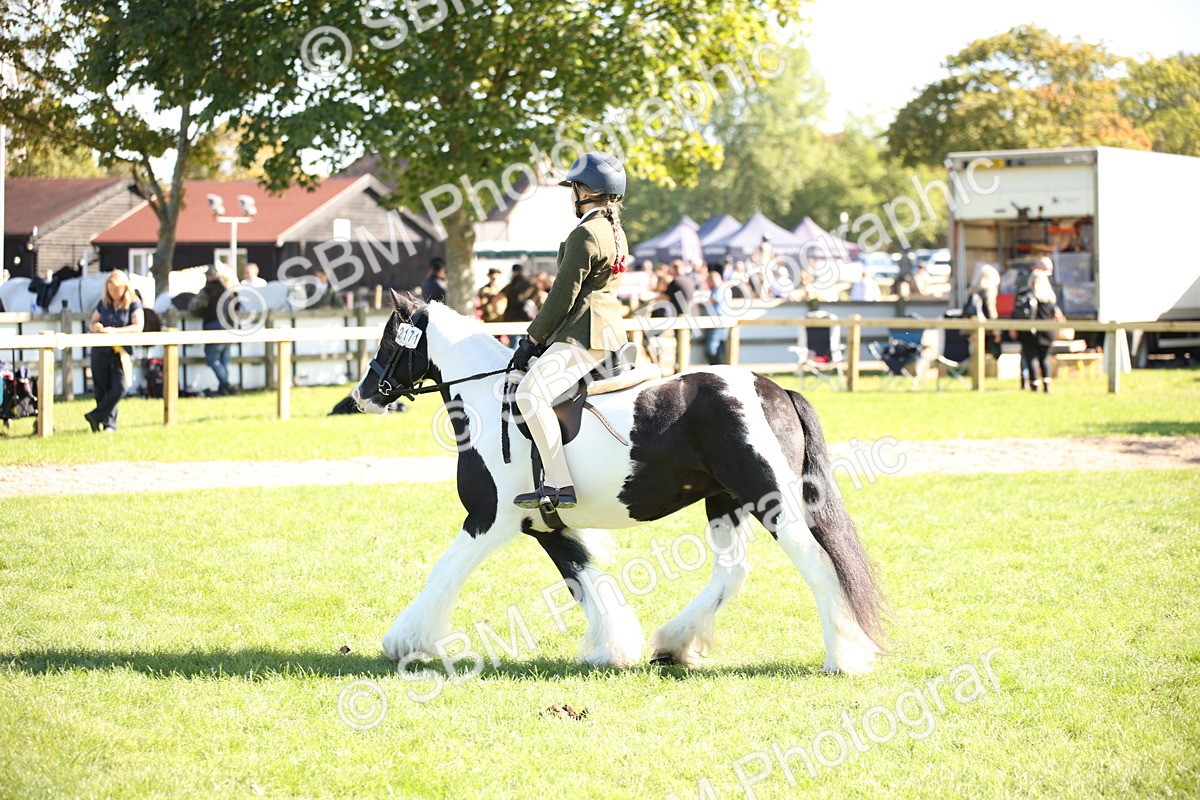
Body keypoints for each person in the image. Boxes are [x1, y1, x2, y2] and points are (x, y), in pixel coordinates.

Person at [510, 151, 629, 510]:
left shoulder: (584, 234)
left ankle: (559, 484)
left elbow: (562, 298)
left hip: (583, 335)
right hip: (611, 333)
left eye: (572, 187)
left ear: (584, 189)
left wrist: (532, 340)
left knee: (529, 395)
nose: (570, 195)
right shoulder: (615, 231)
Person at [85, 270, 144, 432]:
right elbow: (92, 322)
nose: (113, 293)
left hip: (121, 351)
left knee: (120, 387)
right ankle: (107, 424)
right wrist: (97, 329)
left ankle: (96, 416)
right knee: (102, 388)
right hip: (101, 350)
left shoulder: (133, 303)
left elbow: (138, 327)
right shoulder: (104, 303)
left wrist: (115, 331)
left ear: (125, 288)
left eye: (116, 290)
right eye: (110, 290)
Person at [1017, 261, 1065, 393]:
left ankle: (1035, 385)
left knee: (1031, 358)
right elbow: (1057, 316)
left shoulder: (1028, 296)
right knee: (1044, 358)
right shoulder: (1050, 298)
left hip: (1032, 331)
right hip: (1047, 331)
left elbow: (1019, 313)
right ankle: (1047, 384)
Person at [190, 264, 237, 396]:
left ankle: (225, 384)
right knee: (224, 359)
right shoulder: (228, 290)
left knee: (212, 358)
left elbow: (194, 307)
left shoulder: (207, 291)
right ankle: (224, 387)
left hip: (213, 325)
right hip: (228, 327)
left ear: (209, 276)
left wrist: (202, 313)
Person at [964, 263, 1001, 357]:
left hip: (974, 327)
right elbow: (990, 312)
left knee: (978, 355)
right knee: (988, 355)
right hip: (986, 329)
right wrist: (996, 330)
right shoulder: (988, 291)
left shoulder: (974, 291)